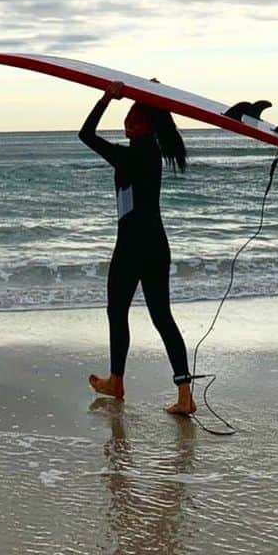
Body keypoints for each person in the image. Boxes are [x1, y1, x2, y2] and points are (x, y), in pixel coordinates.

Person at [79, 80, 196, 416]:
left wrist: (105, 99)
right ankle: (184, 395)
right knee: (162, 318)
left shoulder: (131, 155)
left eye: (133, 116)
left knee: (117, 312)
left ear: (146, 125)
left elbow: (85, 135)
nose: (127, 120)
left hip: (132, 247)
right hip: (156, 245)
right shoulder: (150, 154)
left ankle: (116, 381)